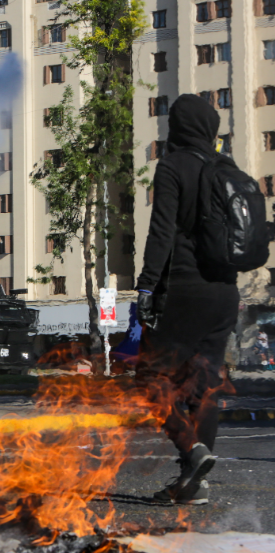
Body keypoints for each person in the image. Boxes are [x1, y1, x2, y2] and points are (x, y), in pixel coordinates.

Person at [135, 94, 240, 506]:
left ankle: (191, 451)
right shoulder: (229, 169)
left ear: (178, 128)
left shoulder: (173, 166)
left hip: (185, 289)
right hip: (225, 293)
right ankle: (193, 485)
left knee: (151, 381)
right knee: (206, 384)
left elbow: (161, 231)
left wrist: (147, 286)